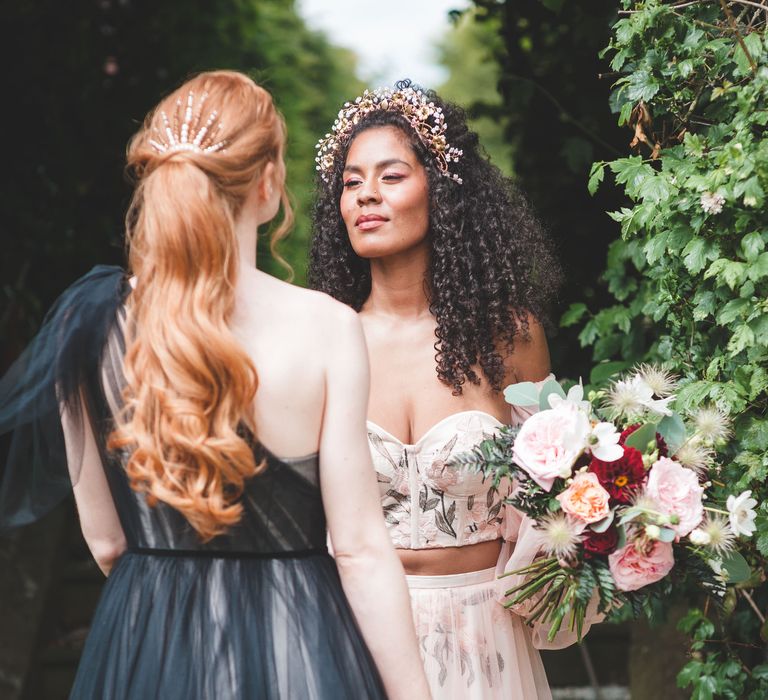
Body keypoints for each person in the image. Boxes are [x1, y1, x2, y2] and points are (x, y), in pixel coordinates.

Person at [0, 71, 430, 700]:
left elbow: (107, 540)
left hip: (148, 642)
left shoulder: (85, 323)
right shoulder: (330, 328)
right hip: (300, 648)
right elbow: (360, 551)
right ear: (268, 184)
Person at [309, 81, 600, 700]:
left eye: (390, 176)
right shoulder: (322, 342)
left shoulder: (510, 338)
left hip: (487, 637)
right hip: (352, 638)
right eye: (351, 181)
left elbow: (558, 494)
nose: (366, 194)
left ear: (440, 191)